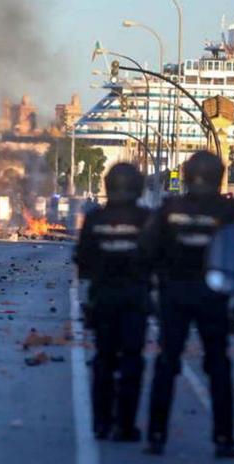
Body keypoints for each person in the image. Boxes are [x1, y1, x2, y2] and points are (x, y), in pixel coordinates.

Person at [140, 151, 234, 458]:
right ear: (218, 175)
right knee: (218, 366)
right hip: (214, 296)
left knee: (166, 363)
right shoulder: (228, 212)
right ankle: (224, 439)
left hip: (174, 295)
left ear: (186, 175)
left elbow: (146, 251)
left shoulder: (169, 210)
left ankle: (157, 436)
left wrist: (152, 286)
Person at [75, 163, 151, 441]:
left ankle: (101, 422)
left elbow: (82, 260)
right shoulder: (146, 219)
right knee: (132, 360)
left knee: (103, 360)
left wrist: (85, 299)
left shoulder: (95, 219)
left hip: (103, 298)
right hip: (135, 299)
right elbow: (158, 258)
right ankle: (126, 424)